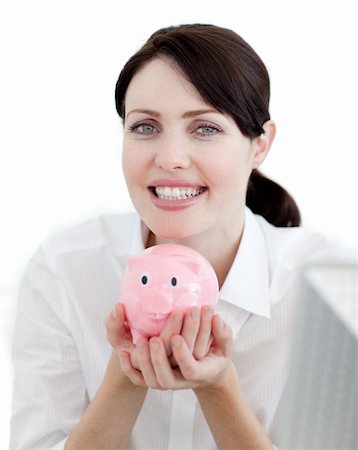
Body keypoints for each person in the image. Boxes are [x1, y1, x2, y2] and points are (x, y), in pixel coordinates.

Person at [10, 23, 346, 450]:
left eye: (205, 128)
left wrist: (219, 389)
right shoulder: (64, 268)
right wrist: (127, 374)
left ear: (260, 145)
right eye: (145, 127)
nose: (169, 159)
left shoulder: (330, 289)